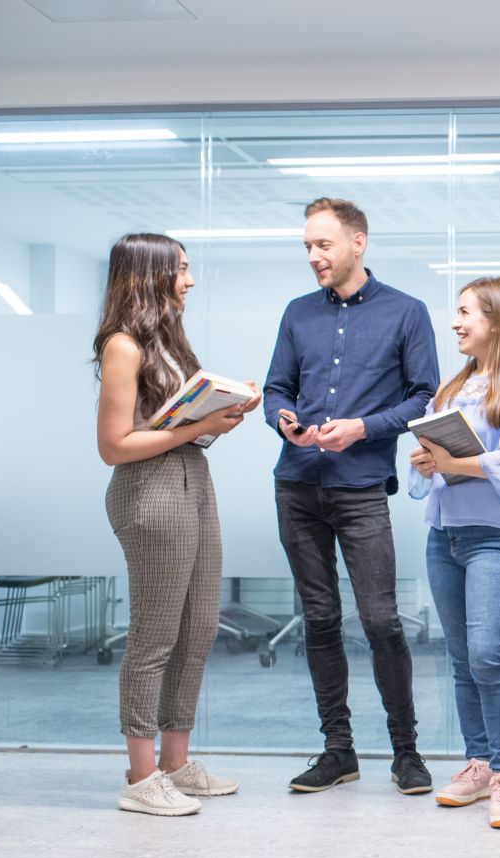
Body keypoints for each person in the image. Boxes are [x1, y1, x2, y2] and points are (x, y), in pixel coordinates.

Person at [263, 197, 440, 795]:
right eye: (308, 246)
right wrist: (282, 417)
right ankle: (338, 750)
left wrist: (363, 428)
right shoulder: (296, 313)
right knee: (318, 619)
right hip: (297, 485)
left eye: (324, 245)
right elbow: (275, 389)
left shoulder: (406, 312)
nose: (314, 256)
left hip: (361, 487)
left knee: (381, 620)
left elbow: (424, 397)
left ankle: (406, 752)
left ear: (357, 243)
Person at [94, 233, 261, 816]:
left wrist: (226, 409)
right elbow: (114, 446)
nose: (188, 281)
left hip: (192, 481)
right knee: (154, 638)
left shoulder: (168, 341)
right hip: (151, 493)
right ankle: (141, 780)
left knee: (198, 628)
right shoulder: (123, 345)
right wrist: (199, 427)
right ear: (149, 275)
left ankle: (175, 761)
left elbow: (176, 421)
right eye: (181, 270)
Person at [409, 276, 500, 829]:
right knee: (465, 661)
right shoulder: (453, 386)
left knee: (490, 655)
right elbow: (432, 472)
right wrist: (428, 462)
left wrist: (452, 464)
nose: (456, 322)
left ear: (498, 318)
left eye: (466, 312)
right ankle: (479, 764)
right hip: (446, 538)